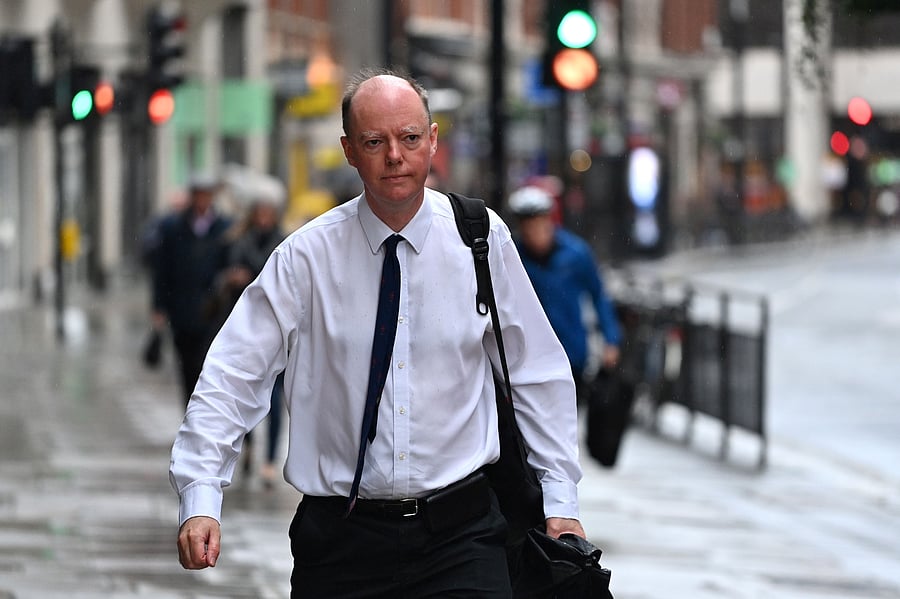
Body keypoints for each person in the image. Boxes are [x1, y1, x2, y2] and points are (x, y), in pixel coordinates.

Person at [170, 68, 585, 597]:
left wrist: (561, 503)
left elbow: (536, 372)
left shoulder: (481, 241)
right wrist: (201, 495)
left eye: (410, 138)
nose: (395, 155)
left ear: (432, 140)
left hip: (462, 537)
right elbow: (232, 375)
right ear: (348, 150)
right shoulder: (306, 258)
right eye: (374, 141)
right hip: (341, 543)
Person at [508, 185, 622, 399]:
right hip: (529, 357)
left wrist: (611, 340)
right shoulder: (512, 255)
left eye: (540, 225)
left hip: (571, 353)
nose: (535, 234)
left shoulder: (576, 253)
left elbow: (599, 295)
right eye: (528, 227)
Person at [214, 177, 288, 486]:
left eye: (268, 211)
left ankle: (270, 459)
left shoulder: (286, 243)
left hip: (280, 330)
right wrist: (229, 278)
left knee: (274, 396)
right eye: (259, 211)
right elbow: (218, 275)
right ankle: (248, 447)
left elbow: (277, 277)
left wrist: (250, 273)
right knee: (246, 394)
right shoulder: (235, 240)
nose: (263, 217)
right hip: (247, 330)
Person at [151, 173, 232, 407]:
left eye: (206, 195)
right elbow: (162, 271)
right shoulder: (172, 227)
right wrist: (158, 307)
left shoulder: (225, 228)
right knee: (187, 368)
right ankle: (192, 415)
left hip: (214, 312)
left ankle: (210, 415)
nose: (202, 201)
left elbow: (231, 264)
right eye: (198, 195)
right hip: (182, 312)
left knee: (209, 366)